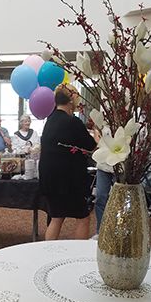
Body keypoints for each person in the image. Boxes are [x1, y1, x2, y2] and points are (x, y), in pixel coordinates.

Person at [39, 84, 97, 240]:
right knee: (83, 218)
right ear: (72, 100)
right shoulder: (73, 122)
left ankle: (48, 253)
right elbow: (92, 146)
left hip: (50, 178)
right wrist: (97, 132)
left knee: (57, 217)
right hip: (69, 181)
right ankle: (77, 255)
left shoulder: (49, 121)